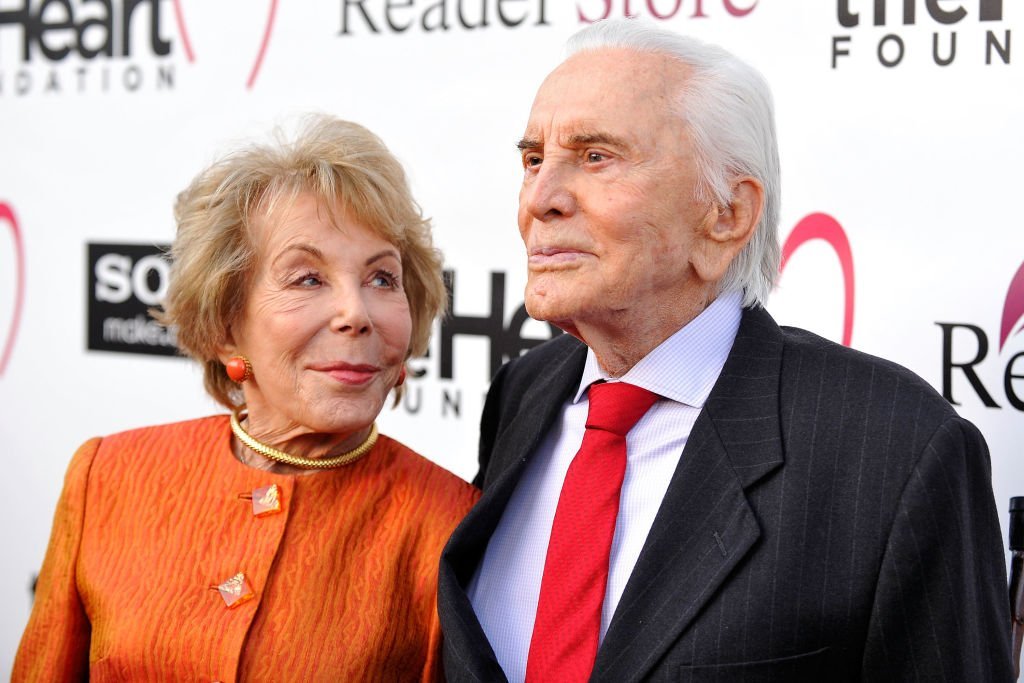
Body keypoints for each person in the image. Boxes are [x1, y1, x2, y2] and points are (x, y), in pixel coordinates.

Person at [438, 19, 1013, 682]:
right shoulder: (524, 392)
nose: (539, 198)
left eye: (596, 157)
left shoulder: (895, 448)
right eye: (533, 159)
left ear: (727, 215)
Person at [14, 115, 478, 681]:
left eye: (382, 279)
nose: (355, 313)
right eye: (307, 278)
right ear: (224, 323)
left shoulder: (449, 524)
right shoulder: (106, 477)